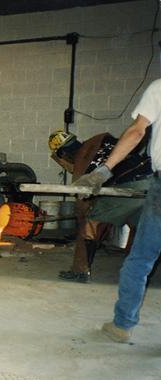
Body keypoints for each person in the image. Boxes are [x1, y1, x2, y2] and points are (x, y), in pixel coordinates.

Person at [72, 79, 161, 342]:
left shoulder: (159, 87)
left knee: (141, 259)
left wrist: (103, 170)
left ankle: (122, 325)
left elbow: (137, 131)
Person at [49, 129, 152, 283]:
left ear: (63, 154)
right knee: (140, 224)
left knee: (90, 221)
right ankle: (135, 269)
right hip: (153, 179)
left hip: (132, 185)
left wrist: (84, 216)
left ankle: (80, 271)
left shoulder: (82, 159)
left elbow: (82, 205)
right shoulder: (102, 142)